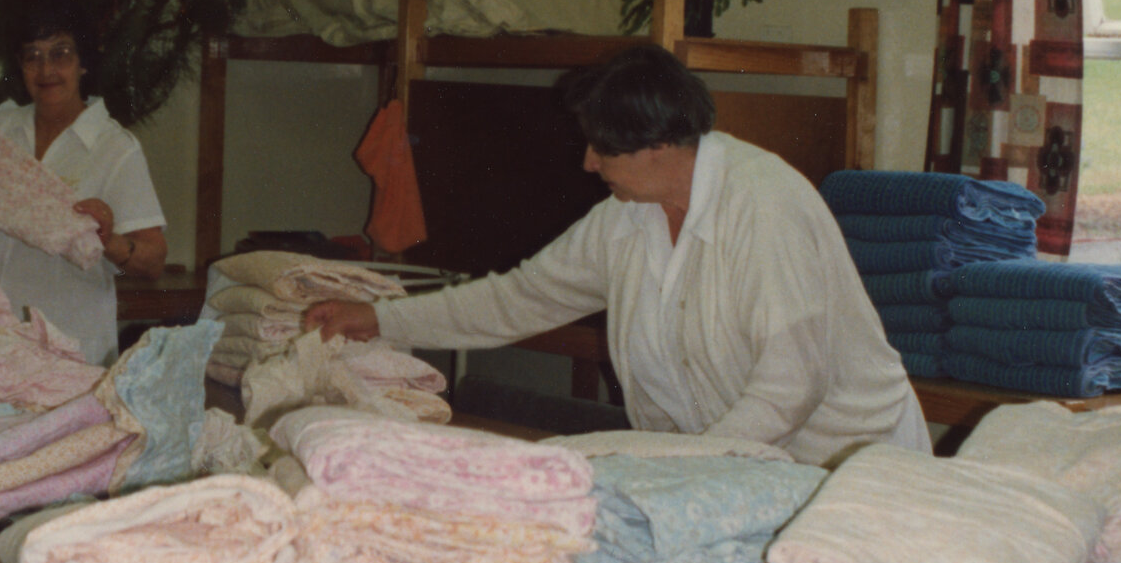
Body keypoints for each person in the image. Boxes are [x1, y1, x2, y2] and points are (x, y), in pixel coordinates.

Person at [306, 44, 929, 467]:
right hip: (734, 469)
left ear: (661, 143)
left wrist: (687, 471)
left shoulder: (765, 205)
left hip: (851, 471)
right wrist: (383, 318)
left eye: (603, 148)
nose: (588, 163)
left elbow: (791, 387)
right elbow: (520, 298)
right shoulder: (624, 219)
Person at [0, 4, 167, 365]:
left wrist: (108, 240)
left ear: (83, 62)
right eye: (32, 56)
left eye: (61, 53)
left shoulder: (114, 149)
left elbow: (153, 261)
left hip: (72, 351)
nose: (46, 70)